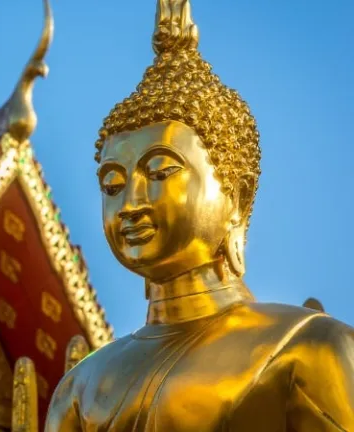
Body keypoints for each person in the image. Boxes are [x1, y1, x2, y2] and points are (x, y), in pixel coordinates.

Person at [44, 1, 354, 430]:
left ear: (237, 198)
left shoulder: (306, 349)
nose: (130, 203)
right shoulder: (79, 389)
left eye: (160, 171)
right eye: (112, 184)